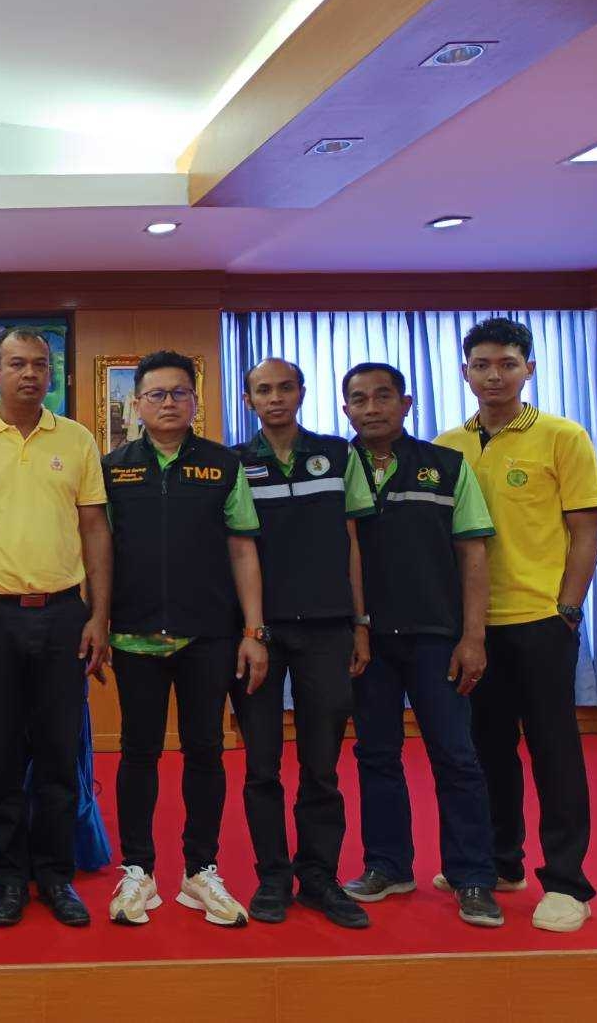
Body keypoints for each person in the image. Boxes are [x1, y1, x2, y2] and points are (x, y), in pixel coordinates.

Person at [435, 318, 597, 933]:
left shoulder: (563, 436)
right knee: (487, 750)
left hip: (540, 621)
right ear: (465, 372)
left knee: (554, 750)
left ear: (528, 369)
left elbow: (586, 531)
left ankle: (566, 883)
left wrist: (568, 609)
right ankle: (502, 862)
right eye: (482, 365)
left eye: (507, 364)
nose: (494, 376)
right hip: (474, 627)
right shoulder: (447, 445)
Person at [0, 327, 111, 929]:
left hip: (63, 615)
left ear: (51, 373)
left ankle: (56, 876)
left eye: (40, 364)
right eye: (17, 364)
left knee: (60, 754)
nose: (30, 374)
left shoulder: (77, 439)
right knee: (0, 753)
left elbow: (95, 529)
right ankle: (9, 876)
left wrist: (99, 615)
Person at [103, 350, 266, 929]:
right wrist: (98, 621)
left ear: (195, 401)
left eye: (179, 393)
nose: (168, 403)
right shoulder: (112, 468)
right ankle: (138, 871)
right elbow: (99, 553)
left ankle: (201, 870)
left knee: (205, 751)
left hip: (209, 636)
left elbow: (243, 548)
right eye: (156, 394)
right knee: (138, 752)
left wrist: (253, 630)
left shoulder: (223, 465)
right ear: (136, 404)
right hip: (134, 635)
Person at [338, 362, 504, 928]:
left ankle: (473, 876)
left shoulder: (446, 466)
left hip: (438, 637)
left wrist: (473, 636)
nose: (372, 408)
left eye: (383, 396)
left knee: (456, 756)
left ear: (405, 404)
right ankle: (388, 865)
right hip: (367, 641)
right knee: (376, 754)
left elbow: (473, 553)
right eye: (360, 399)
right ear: (345, 409)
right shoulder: (334, 467)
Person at [228, 358, 374, 929]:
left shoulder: (339, 455)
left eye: (285, 387)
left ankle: (319, 877)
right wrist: (252, 631)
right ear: (248, 400)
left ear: (302, 392)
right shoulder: (235, 463)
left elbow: (353, 540)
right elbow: (235, 550)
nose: (275, 398)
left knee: (322, 765)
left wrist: (359, 622)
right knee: (261, 765)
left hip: (328, 629)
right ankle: (272, 877)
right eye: (263, 390)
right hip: (259, 634)